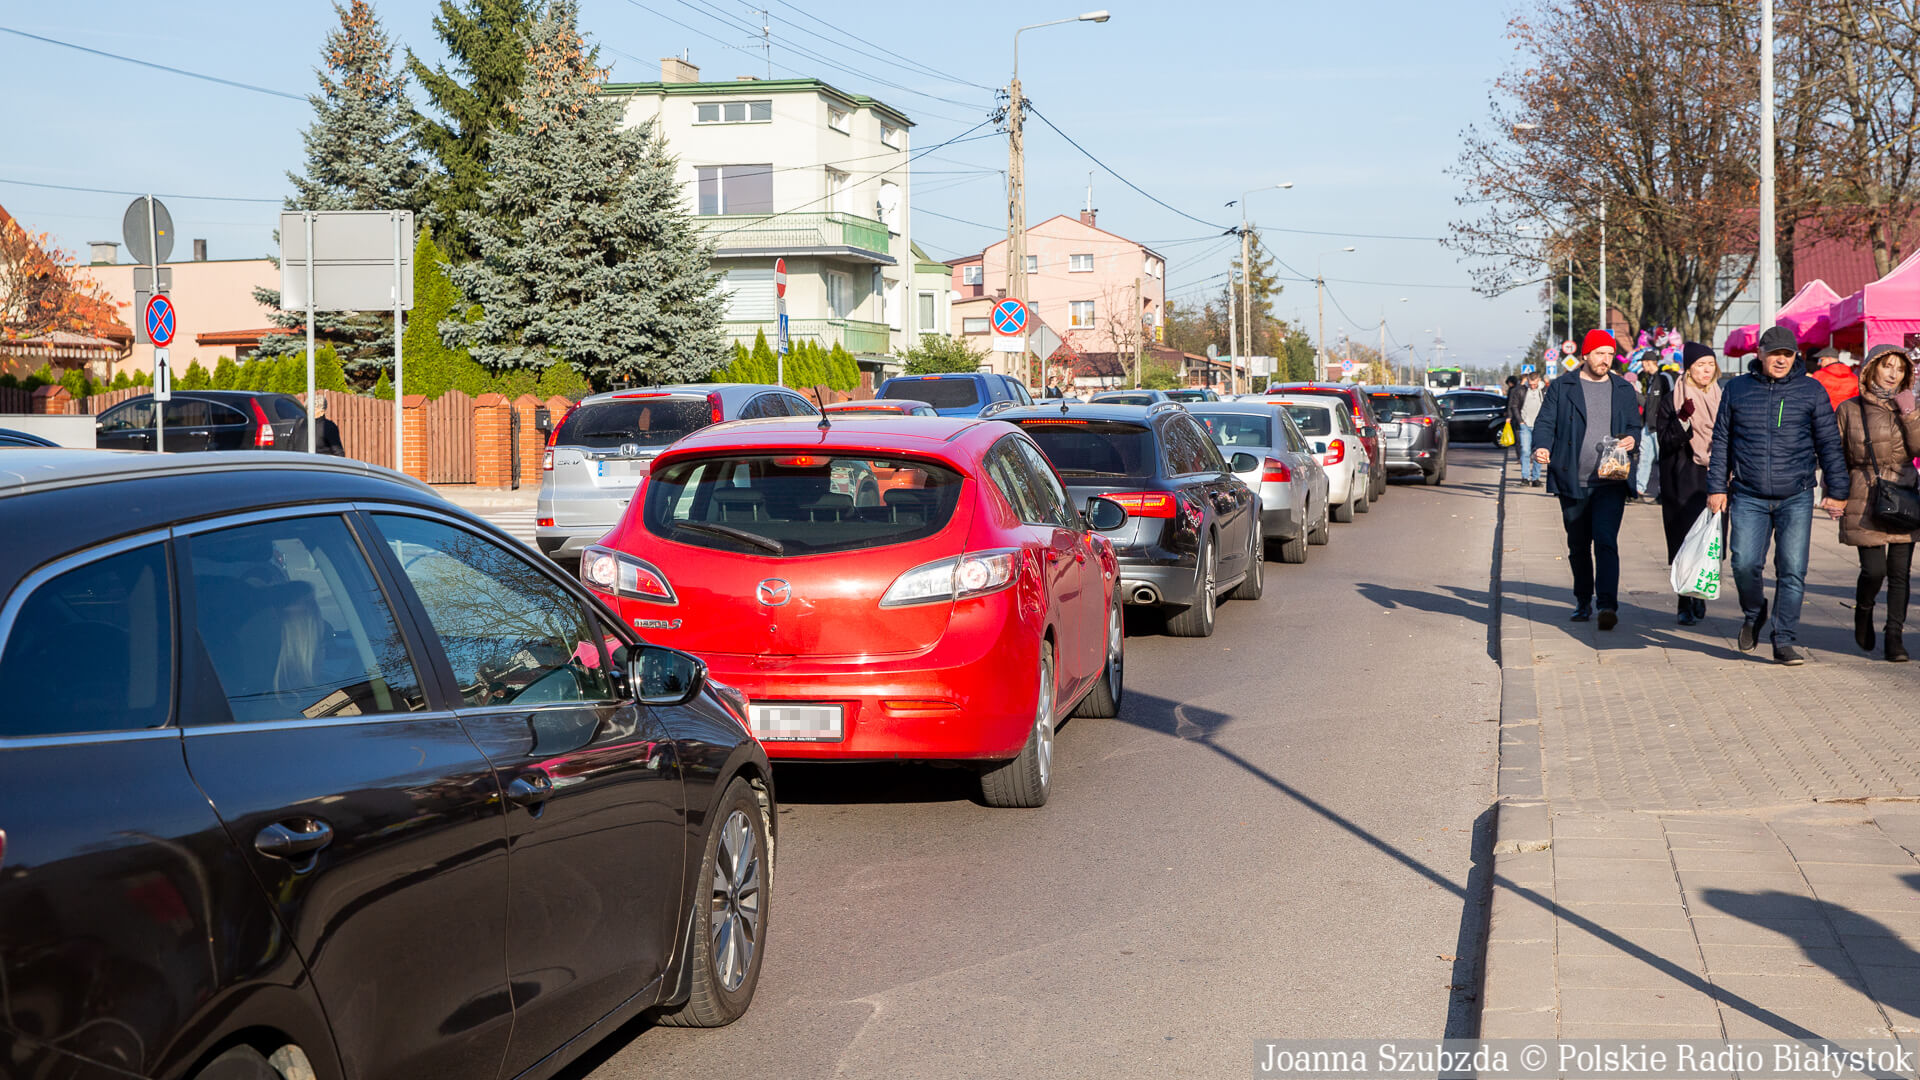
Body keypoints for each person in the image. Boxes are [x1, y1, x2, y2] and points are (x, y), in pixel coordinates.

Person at [1706, 324, 1850, 665]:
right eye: (1774, 354)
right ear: (1760, 354)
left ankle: (1783, 639)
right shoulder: (1737, 389)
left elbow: (1829, 443)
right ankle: (1754, 612)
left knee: (1793, 569)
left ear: (1795, 356)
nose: (1781, 360)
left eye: (1787, 354)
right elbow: (1722, 440)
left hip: (1796, 495)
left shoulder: (1811, 390)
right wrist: (1716, 487)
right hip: (1748, 494)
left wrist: (1838, 490)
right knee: (1743, 563)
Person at [1532, 329, 1642, 629]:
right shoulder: (1562, 386)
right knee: (1578, 545)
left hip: (1611, 479)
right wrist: (1541, 447)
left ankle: (1607, 605)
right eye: (1599, 353)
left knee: (1606, 541)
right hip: (1573, 479)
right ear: (1585, 355)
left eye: (1610, 354)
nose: (1605, 359)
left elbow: (1634, 425)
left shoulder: (1623, 388)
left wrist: (1632, 439)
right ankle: (1583, 600)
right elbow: (1545, 423)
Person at [1834, 344, 1920, 662]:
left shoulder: (1910, 406)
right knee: (1873, 570)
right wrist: (1835, 494)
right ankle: (1864, 609)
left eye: (1900, 368)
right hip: (1865, 493)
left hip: (1904, 493)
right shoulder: (1849, 409)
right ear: (1871, 368)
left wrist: (1910, 414)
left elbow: (1918, 448)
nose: (1893, 373)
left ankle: (1894, 637)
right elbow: (1836, 456)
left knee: (1899, 572)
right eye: (1887, 366)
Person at [1649, 343, 1721, 625]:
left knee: (1710, 539)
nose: (1706, 370)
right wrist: (1682, 419)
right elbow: (1664, 441)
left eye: (1710, 364)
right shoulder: (1673, 399)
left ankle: (1700, 591)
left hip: (1715, 476)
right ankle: (1683, 599)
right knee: (1685, 540)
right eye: (1701, 365)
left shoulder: (1721, 396)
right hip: (1683, 477)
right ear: (1689, 368)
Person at [1633, 349, 1671, 500]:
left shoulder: (1664, 378)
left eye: (1643, 362)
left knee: (1662, 460)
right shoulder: (1650, 379)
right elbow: (1649, 404)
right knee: (1644, 458)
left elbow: (1670, 399)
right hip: (1649, 426)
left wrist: (1664, 421)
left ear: (1649, 362)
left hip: (1660, 427)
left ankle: (1663, 492)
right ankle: (1639, 490)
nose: (1642, 365)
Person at [1511, 369, 1546, 486]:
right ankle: (1525, 478)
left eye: (1535, 384)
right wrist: (1520, 421)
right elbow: (1514, 406)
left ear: (1539, 380)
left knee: (1538, 452)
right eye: (1530, 384)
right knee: (1525, 451)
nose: (1533, 386)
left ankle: (1536, 478)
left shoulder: (1545, 390)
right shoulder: (1521, 390)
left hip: (1540, 426)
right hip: (1525, 425)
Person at [1811, 346, 1860, 411]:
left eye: (1821, 360)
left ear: (1829, 359)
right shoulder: (1855, 379)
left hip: (1826, 413)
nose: (1818, 363)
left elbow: (1812, 396)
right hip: (1847, 413)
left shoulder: (1818, 376)